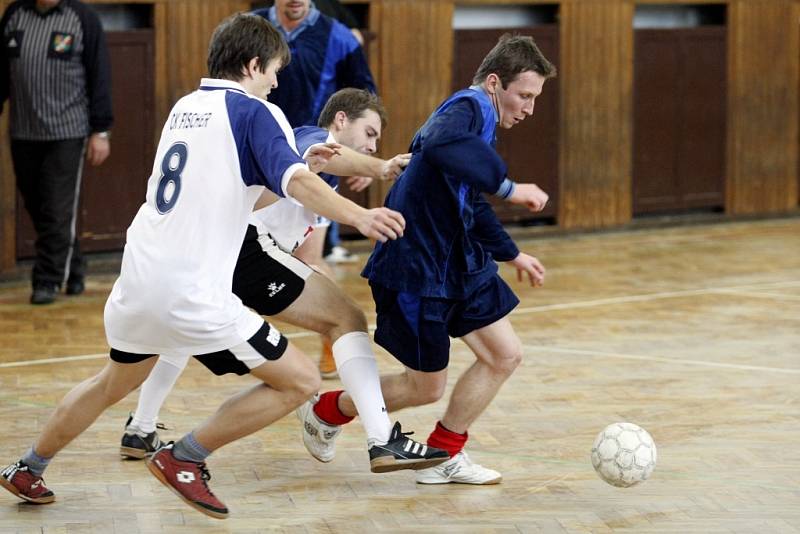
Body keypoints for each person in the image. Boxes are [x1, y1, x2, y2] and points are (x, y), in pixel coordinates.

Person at [0, 14, 406, 520]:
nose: (277, 82)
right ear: (254, 64)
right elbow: (297, 181)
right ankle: (184, 458)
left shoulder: (185, 108)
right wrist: (360, 214)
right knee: (301, 382)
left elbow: (236, 194)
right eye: (275, 71)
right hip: (189, 288)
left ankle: (29, 465)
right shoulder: (256, 113)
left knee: (110, 383)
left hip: (137, 278)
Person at [119, 88, 447, 476]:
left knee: (179, 334)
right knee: (346, 317)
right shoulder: (308, 137)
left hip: (221, 253)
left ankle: (140, 429)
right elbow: (323, 155)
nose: (374, 146)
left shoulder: (326, 175)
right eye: (370, 133)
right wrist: (379, 167)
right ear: (341, 120)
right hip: (247, 247)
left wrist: (358, 169)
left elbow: (319, 212)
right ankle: (381, 438)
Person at [298, 34, 557, 485]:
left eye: (535, 98)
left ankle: (444, 454)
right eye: (525, 96)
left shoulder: (480, 124)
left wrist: (511, 253)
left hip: (457, 264)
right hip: (415, 269)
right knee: (424, 387)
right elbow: (434, 140)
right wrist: (512, 188)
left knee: (504, 355)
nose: (530, 109)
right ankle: (325, 411)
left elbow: (468, 202)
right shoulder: (469, 107)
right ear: (494, 83)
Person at [253, 0, 378, 377]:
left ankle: (331, 343)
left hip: (314, 157)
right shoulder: (252, 28)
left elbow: (363, 98)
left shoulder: (338, 36)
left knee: (310, 256)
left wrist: (366, 159)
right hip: (259, 157)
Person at [0, 0, 113, 305]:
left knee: (57, 209)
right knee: (37, 207)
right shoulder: (14, 15)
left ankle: (47, 279)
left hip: (67, 133)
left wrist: (100, 131)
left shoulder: (82, 18)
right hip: (23, 132)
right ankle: (74, 267)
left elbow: (99, 75)